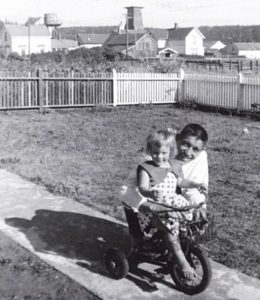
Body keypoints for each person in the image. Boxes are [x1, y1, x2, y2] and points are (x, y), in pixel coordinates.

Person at [136, 129, 207, 279]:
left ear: (170, 152)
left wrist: (195, 184)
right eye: (155, 153)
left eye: (164, 153)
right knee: (170, 228)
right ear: (150, 151)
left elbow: (181, 181)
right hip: (154, 207)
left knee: (186, 222)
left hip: (172, 203)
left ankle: (171, 251)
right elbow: (142, 188)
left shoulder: (172, 166)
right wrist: (150, 192)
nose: (160, 157)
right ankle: (181, 261)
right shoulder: (146, 168)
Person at [174, 123, 209, 221]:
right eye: (185, 144)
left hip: (176, 201)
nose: (188, 152)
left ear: (202, 149)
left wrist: (199, 206)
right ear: (178, 138)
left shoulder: (200, 156)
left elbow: (195, 188)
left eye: (195, 149)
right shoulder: (162, 150)